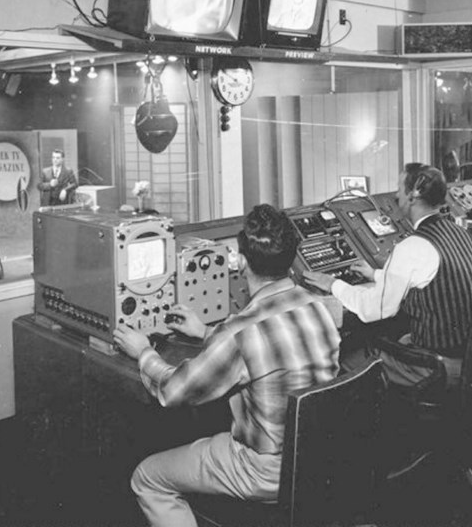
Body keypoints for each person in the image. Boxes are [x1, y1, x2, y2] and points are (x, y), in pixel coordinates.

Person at [113, 204, 341, 527]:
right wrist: (207, 332)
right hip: (318, 455)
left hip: (264, 470)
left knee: (147, 478)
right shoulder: (320, 307)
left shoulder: (238, 333)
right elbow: (266, 345)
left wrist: (143, 353)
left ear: (242, 262)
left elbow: (173, 391)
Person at [303, 163, 472, 389]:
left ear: (413, 195)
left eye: (400, 188)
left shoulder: (414, 245)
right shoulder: (460, 234)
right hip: (471, 359)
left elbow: (374, 310)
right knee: (397, 336)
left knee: (349, 360)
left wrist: (333, 284)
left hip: (434, 367)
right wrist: (378, 275)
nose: (396, 194)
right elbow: (431, 278)